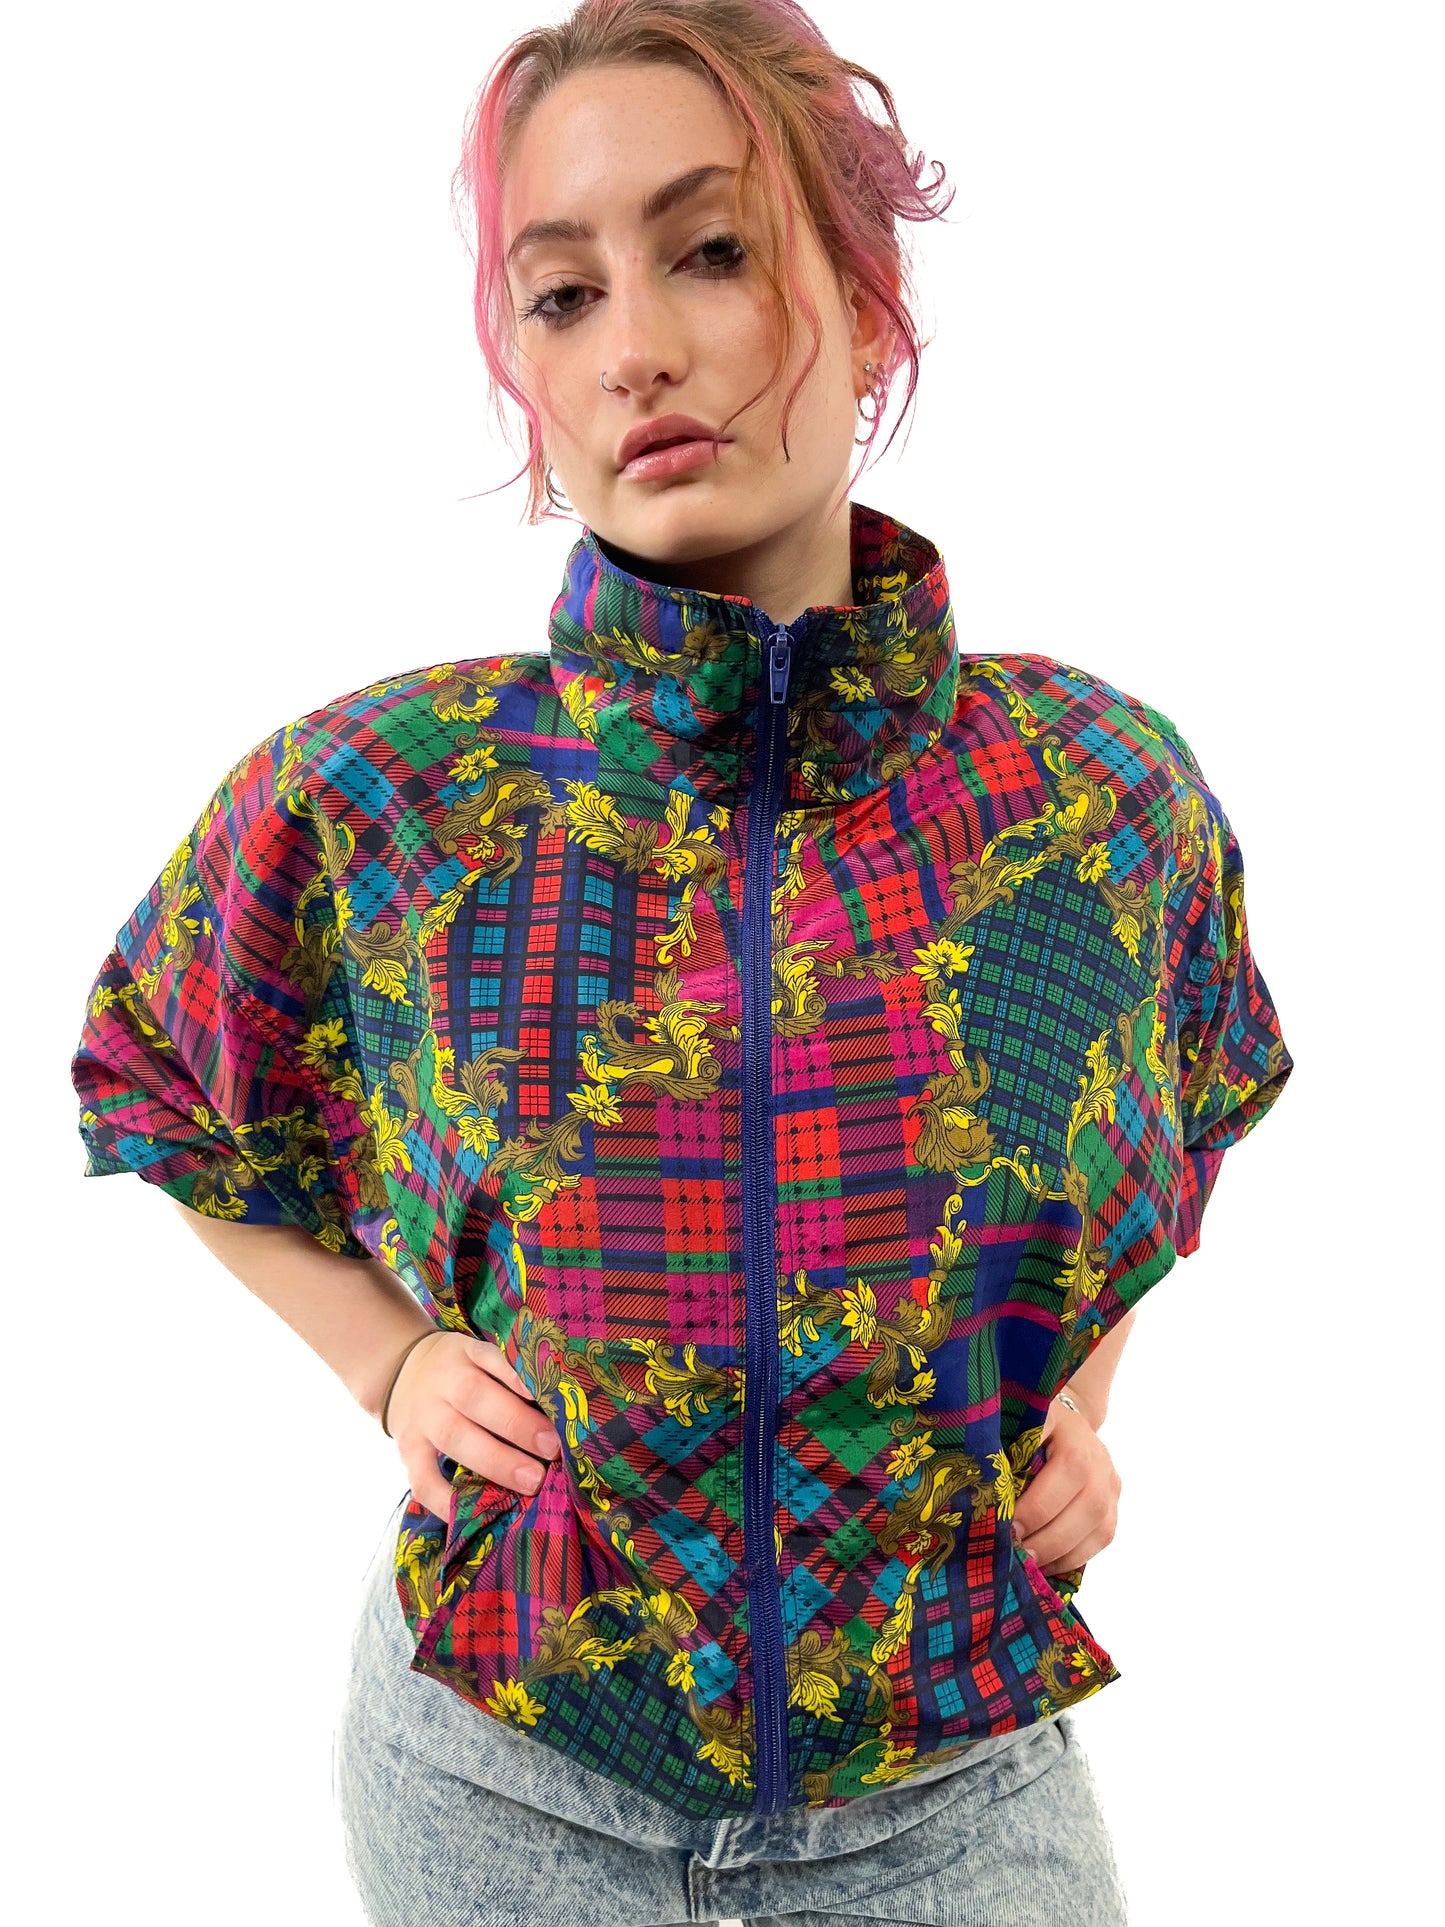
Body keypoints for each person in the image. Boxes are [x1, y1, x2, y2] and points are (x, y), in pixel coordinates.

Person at [69, 2, 1292, 1921]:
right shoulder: (391, 796)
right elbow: (158, 1069)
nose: (631, 345)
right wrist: (390, 1365)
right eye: (561, 295)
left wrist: (1072, 1405)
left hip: (951, 1791)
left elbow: (1165, 1127)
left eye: (710, 251)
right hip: (503, 1774)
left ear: (866, 305)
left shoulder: (1088, 795)